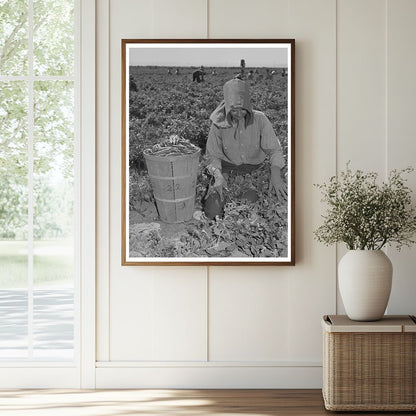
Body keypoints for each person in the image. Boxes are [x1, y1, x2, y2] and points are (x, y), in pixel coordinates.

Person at [206, 78, 286, 200]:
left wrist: (275, 174)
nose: (238, 114)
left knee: (249, 201)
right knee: (213, 208)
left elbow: (274, 150)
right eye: (233, 110)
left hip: (254, 169)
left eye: (242, 109)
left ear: (248, 106)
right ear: (227, 107)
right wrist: (218, 176)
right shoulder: (218, 123)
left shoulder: (260, 119)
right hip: (227, 169)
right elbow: (212, 155)